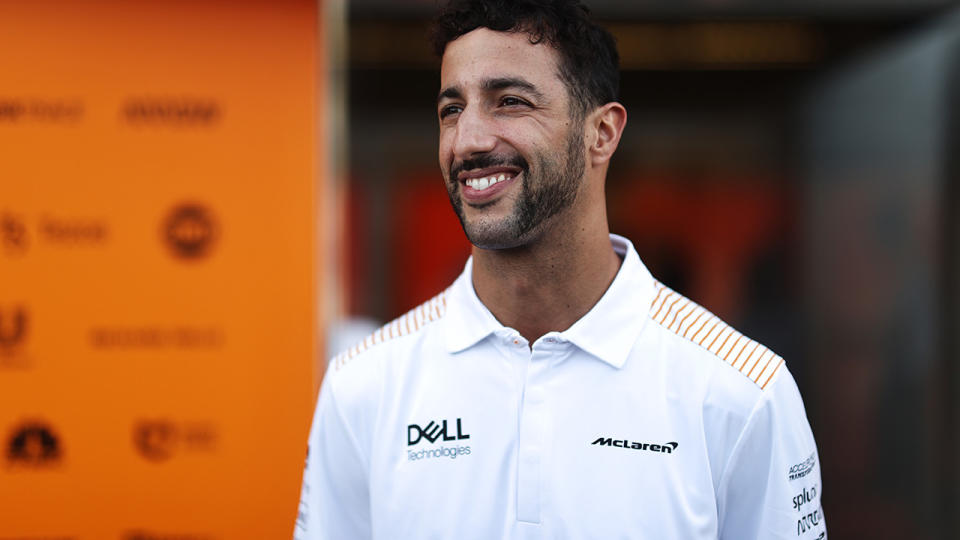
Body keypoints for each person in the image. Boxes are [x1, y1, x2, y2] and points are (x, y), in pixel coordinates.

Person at [295, 1, 826, 538]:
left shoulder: (742, 391)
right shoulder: (363, 386)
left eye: (510, 101)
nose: (469, 139)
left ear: (602, 133)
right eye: (451, 109)